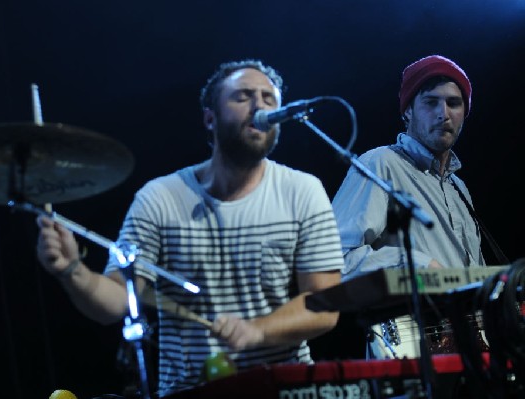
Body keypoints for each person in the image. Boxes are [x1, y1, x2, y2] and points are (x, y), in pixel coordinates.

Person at [36, 59, 345, 397]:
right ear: (209, 118)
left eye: (269, 99)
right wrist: (72, 271)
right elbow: (117, 303)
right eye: (243, 97)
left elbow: (324, 306)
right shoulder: (161, 198)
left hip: (286, 389)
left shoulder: (303, 191)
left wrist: (256, 331)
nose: (259, 106)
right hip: (189, 391)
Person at [331, 55, 488, 360]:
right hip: (413, 349)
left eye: (454, 104)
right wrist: (414, 263)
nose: (443, 113)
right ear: (407, 111)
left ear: (464, 113)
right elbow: (336, 260)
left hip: (470, 357)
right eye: (430, 102)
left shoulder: (460, 189)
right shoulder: (379, 164)